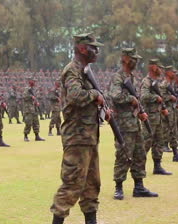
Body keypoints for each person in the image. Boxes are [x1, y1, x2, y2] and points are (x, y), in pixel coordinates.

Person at [50, 33, 111, 224]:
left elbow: (86, 101)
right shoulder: (72, 70)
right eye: (93, 47)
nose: (97, 51)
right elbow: (75, 96)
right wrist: (95, 94)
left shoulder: (84, 71)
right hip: (77, 138)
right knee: (71, 186)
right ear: (82, 48)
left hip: (89, 137)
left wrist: (102, 109)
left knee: (91, 185)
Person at [107, 48, 158, 200]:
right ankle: (119, 187)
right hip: (123, 124)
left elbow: (136, 99)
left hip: (135, 123)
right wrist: (131, 99)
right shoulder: (118, 77)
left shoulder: (133, 78)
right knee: (123, 155)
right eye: (134, 59)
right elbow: (115, 96)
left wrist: (140, 112)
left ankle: (139, 186)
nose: (137, 62)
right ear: (126, 59)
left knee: (139, 154)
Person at [140, 59, 172, 175]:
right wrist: (155, 98)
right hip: (149, 118)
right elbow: (143, 96)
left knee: (159, 142)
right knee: (146, 143)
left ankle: (157, 166)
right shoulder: (147, 81)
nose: (161, 70)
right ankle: (140, 167)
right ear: (153, 67)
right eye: (160, 67)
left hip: (157, 117)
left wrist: (162, 108)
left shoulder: (156, 82)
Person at [23, 76, 45, 142]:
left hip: (34, 108)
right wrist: (31, 97)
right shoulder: (27, 89)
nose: (35, 82)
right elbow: (24, 97)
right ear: (30, 81)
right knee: (28, 122)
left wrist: (36, 102)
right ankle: (26, 136)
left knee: (36, 122)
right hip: (29, 109)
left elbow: (35, 98)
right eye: (33, 81)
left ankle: (37, 135)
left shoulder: (33, 89)